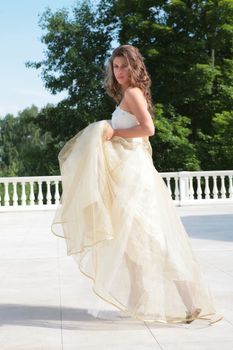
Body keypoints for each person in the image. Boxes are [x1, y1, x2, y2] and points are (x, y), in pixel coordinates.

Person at [52, 44, 223, 325]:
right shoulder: (128, 94)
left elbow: (148, 129)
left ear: (134, 67)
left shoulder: (132, 93)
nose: (118, 72)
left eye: (123, 66)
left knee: (152, 236)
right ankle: (137, 300)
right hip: (127, 173)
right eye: (115, 67)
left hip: (135, 177)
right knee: (130, 238)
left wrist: (113, 132)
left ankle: (192, 302)